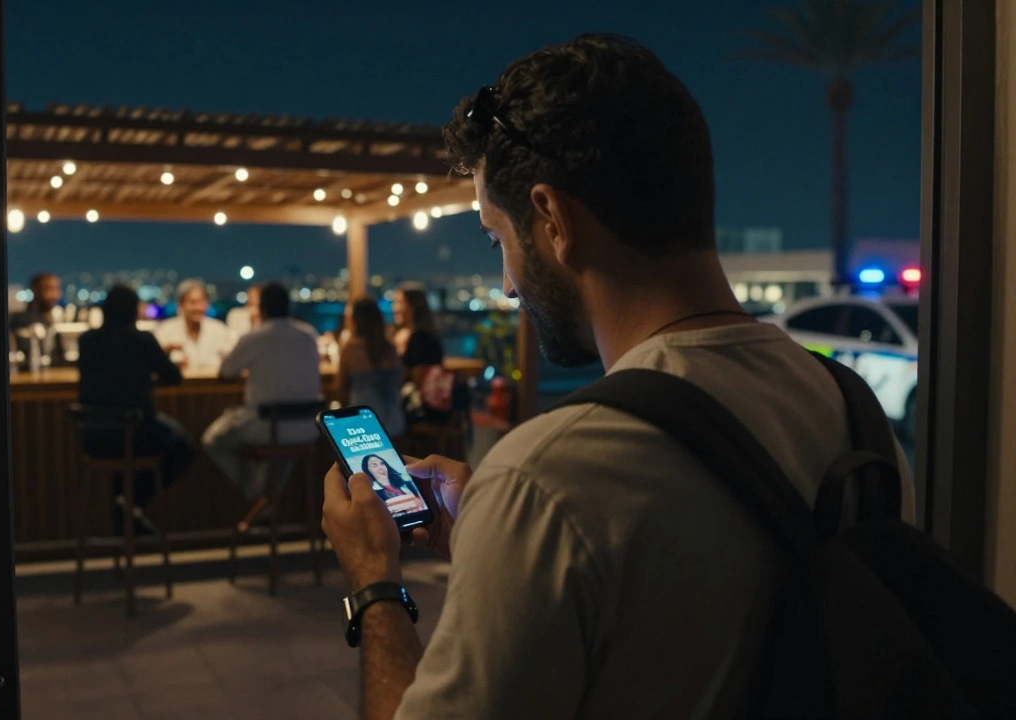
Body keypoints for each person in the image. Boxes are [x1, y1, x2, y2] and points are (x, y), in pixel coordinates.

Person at [318, 33, 915, 720]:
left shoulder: (548, 480)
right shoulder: (855, 418)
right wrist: (499, 533)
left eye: (497, 241)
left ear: (551, 219)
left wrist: (375, 586)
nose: (507, 285)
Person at [202, 282, 321, 528]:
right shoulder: (309, 334)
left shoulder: (255, 337)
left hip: (266, 426)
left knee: (213, 440)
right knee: (282, 450)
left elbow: (226, 371)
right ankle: (267, 499)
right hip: (307, 428)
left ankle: (256, 492)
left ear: (262, 309)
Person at [78, 285, 195, 532]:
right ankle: (134, 501)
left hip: (93, 437)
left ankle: (124, 506)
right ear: (133, 311)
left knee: (125, 440)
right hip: (138, 434)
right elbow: (174, 376)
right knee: (183, 445)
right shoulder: (142, 340)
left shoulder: (87, 341)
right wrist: (147, 377)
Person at [338, 297, 406, 439]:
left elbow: (340, 389)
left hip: (364, 426)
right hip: (395, 423)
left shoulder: (350, 349)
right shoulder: (390, 348)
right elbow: (400, 381)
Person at [153, 279, 234, 371]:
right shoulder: (165, 330)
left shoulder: (220, 330)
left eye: (201, 302)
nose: (198, 308)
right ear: (181, 305)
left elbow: (232, 360)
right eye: (192, 302)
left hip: (213, 383)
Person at [10, 272, 73, 367]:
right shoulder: (22, 321)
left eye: (57, 289)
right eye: (49, 289)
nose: (56, 295)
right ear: (35, 290)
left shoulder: (56, 318)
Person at [391, 287, 444, 377]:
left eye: (401, 303)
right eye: (395, 302)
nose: (395, 308)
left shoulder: (423, 338)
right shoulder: (398, 333)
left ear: (414, 307)